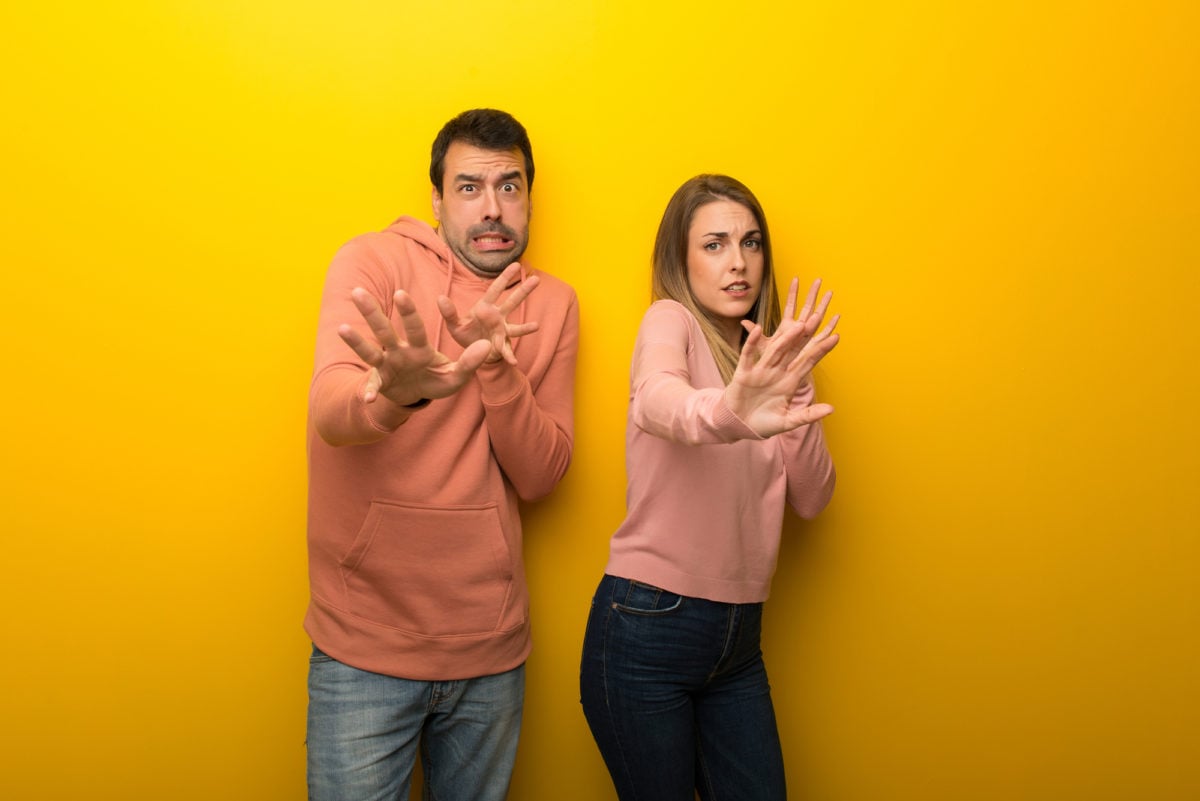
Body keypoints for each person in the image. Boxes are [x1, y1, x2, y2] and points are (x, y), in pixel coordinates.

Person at [304, 108, 578, 801]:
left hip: (490, 651)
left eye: (510, 188)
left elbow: (543, 475)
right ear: (436, 199)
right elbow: (331, 412)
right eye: (468, 188)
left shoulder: (554, 303)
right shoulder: (374, 261)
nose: (493, 210)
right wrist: (393, 396)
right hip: (364, 646)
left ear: (530, 198)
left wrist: (496, 368)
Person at [579, 174, 840, 801]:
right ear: (682, 259)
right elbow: (657, 401)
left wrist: (795, 387)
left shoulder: (767, 362)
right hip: (647, 627)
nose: (739, 263)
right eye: (716, 245)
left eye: (751, 244)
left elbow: (814, 497)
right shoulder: (669, 321)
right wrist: (730, 412)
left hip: (738, 643)